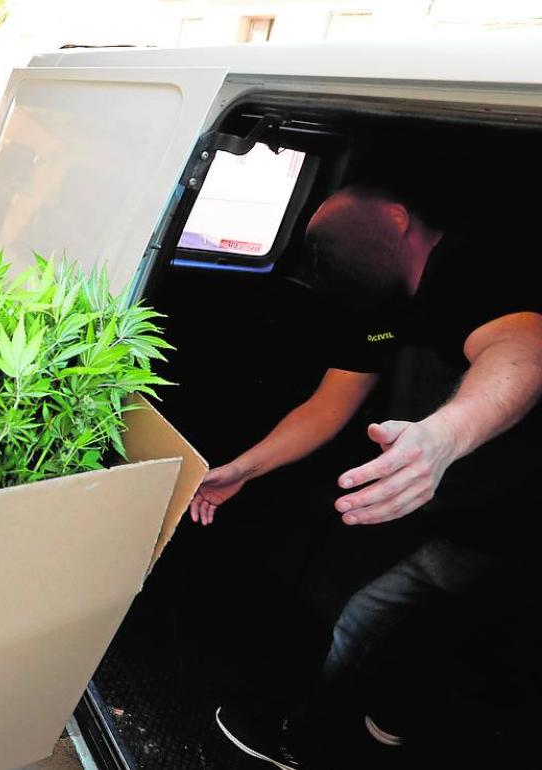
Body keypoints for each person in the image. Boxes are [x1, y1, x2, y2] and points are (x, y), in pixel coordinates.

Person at [199, 186, 542, 767]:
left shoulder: (474, 265)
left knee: (380, 627)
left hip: (511, 527)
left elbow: (524, 349)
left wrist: (440, 439)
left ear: (397, 214)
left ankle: (309, 740)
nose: (326, 251)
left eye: (335, 233)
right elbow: (325, 408)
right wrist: (241, 470)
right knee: (388, 629)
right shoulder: (379, 306)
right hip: (464, 525)